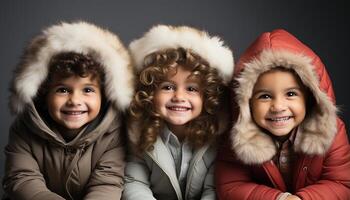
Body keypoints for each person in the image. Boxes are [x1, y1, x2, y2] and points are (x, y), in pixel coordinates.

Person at [2, 21, 134, 200]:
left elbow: (107, 182)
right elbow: (22, 178)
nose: (75, 101)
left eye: (88, 90)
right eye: (63, 90)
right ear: (44, 93)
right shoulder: (24, 127)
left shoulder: (113, 133)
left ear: (104, 96)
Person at [215, 29, 350, 200]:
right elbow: (231, 185)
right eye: (265, 96)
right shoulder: (236, 137)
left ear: (310, 97)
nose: (278, 107)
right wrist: (280, 199)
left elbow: (342, 183)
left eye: (291, 94)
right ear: (246, 103)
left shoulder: (332, 131)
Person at [122, 25, 234, 200]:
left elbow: (213, 188)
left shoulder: (217, 136)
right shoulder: (139, 133)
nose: (179, 97)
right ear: (150, 92)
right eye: (168, 87)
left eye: (191, 89)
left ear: (208, 96)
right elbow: (134, 181)